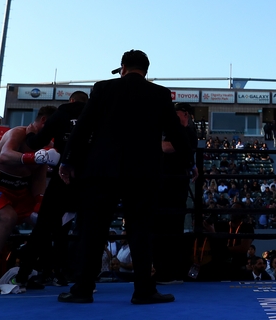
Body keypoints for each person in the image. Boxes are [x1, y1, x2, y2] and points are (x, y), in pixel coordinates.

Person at [57, 50, 192, 305]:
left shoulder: (103, 89)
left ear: (123, 68)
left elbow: (83, 127)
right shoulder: (160, 94)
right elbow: (176, 133)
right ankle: (143, 290)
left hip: (102, 170)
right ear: (146, 70)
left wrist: (68, 160)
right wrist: (190, 162)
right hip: (143, 172)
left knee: (93, 230)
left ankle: (83, 288)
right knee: (140, 230)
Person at [0, 105, 59, 294]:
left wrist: (39, 202)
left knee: (45, 220)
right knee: (8, 218)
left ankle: (27, 272)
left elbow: (38, 180)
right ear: (44, 121)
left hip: (20, 191)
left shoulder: (47, 146)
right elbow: (4, 155)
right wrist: (33, 157)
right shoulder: (18, 133)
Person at [15, 91, 89, 288]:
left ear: (71, 100)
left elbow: (36, 143)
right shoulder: (96, 113)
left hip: (64, 174)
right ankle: (79, 277)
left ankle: (23, 275)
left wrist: (31, 132)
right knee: (88, 228)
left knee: (44, 226)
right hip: (91, 177)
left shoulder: (62, 112)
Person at [153, 102, 198, 285]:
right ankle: (164, 270)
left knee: (171, 227)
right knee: (162, 227)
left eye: (177, 112)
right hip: (164, 182)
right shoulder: (171, 128)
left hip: (175, 184)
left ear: (185, 114)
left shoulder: (188, 132)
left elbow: (168, 147)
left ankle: (169, 272)